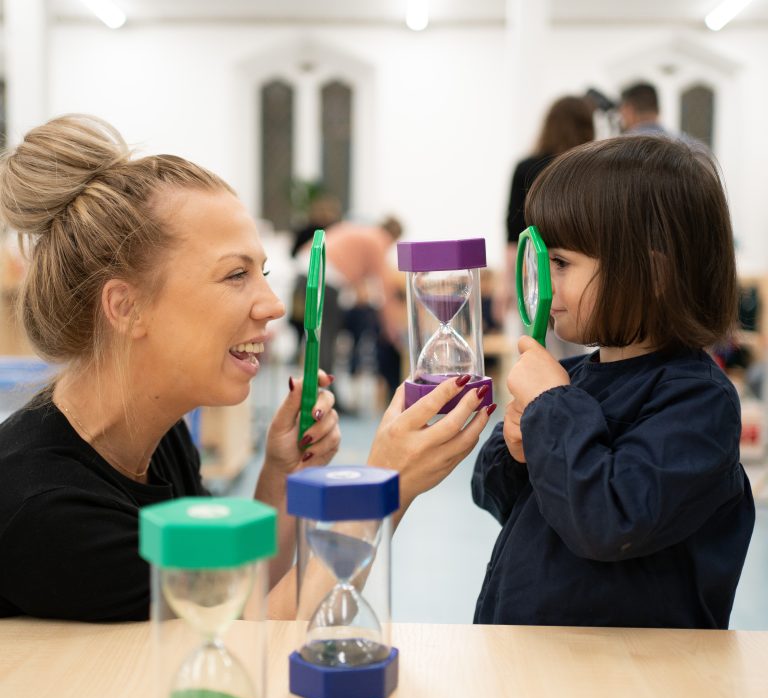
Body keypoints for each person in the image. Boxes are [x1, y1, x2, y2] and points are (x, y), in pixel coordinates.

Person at [0, 115, 494, 622]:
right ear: (127, 308)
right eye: (236, 275)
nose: (273, 306)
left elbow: (237, 591)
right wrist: (384, 488)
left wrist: (281, 474)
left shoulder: (159, 439)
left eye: (263, 273)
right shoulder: (44, 507)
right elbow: (238, 642)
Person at [472, 134, 755, 629]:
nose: (543, 283)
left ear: (651, 274)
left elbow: (610, 520)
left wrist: (553, 406)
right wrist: (516, 449)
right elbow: (494, 496)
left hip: (631, 686)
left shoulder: (699, 404)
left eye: (560, 263)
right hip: (545, 671)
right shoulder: (577, 378)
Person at [495, 95, 595, 333]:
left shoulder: (526, 167)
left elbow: (513, 234)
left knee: (534, 343)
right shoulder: (589, 172)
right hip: (579, 277)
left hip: (532, 273)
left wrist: (507, 284)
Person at [292, 216, 406, 404]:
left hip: (307, 270)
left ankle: (323, 390)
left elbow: (360, 281)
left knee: (320, 338)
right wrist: (391, 328)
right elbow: (385, 290)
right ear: (393, 236)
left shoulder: (362, 232)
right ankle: (323, 393)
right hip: (323, 277)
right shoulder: (378, 240)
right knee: (324, 339)